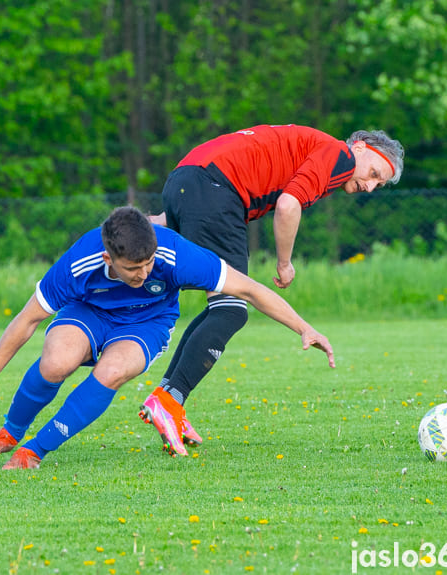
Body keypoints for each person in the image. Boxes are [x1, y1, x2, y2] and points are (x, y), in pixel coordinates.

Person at [0, 206, 335, 468]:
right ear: (108, 258)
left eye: (148, 263)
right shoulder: (79, 262)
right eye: (133, 268)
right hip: (89, 312)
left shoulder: (177, 254)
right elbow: (26, 320)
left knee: (114, 369)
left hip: (147, 323)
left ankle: (34, 452)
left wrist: (304, 327)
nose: (144, 273)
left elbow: (249, 289)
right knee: (56, 362)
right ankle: (9, 433)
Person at [141, 124, 404, 456]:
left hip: (183, 179)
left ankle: (169, 399)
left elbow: (178, 210)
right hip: (217, 187)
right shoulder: (340, 156)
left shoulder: (314, 149)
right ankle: (169, 399)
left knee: (221, 309)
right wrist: (284, 262)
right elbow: (288, 205)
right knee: (232, 310)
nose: (369, 186)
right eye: (374, 173)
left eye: (379, 184)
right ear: (361, 147)